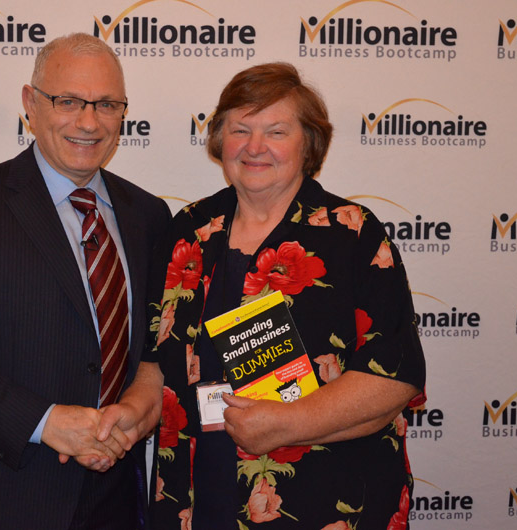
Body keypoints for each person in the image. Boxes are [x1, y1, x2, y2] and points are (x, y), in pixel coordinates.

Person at [111, 62, 426, 529]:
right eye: (240, 130)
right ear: (220, 140)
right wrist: (129, 418)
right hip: (195, 499)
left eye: (276, 132)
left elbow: (395, 378)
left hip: (322, 503)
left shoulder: (352, 234)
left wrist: (289, 422)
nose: (255, 147)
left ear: (308, 143)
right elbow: (156, 364)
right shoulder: (190, 231)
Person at [0, 33, 170, 529]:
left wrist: (138, 405)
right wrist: (46, 422)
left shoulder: (149, 216)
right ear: (30, 103)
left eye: (107, 104)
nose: (88, 122)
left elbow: (154, 349)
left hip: (116, 502)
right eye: (68, 101)